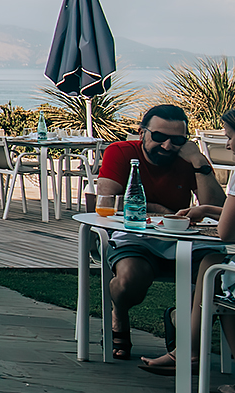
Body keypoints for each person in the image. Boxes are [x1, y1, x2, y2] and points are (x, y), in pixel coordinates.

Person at [137, 104, 235, 393]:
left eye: (231, 137)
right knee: (215, 266)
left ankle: (190, 353)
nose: (229, 145)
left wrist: (212, 215)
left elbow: (228, 233)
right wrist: (207, 209)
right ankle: (191, 351)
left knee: (217, 275)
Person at [95, 104, 225, 362]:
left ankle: (183, 323)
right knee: (130, 279)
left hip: (181, 238)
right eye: (159, 137)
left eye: (177, 140)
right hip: (135, 235)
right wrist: (155, 209)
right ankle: (119, 312)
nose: (167, 146)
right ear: (142, 132)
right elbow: (105, 200)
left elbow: (218, 208)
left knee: (217, 275)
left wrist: (199, 162)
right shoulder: (121, 152)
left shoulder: (189, 161)